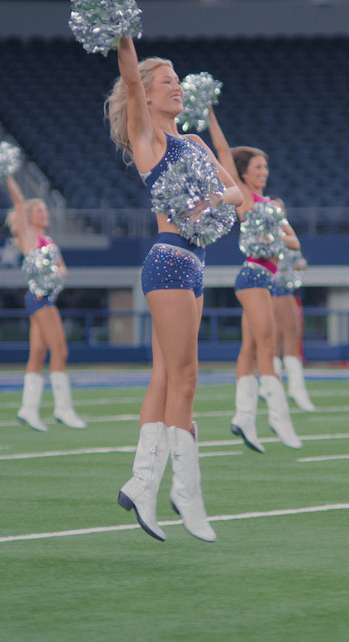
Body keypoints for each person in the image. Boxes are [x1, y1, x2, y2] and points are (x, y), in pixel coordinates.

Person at [106, 36, 243, 542]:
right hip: (167, 262)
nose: (178, 88)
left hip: (196, 265)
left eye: (179, 82)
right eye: (168, 82)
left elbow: (237, 193)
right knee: (186, 379)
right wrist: (124, 33)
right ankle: (186, 492)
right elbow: (127, 74)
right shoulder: (151, 140)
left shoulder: (195, 143)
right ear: (146, 93)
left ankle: (142, 483)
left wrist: (209, 198)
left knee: (166, 378)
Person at [207, 110, 303, 452]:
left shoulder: (270, 206)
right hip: (253, 275)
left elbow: (295, 242)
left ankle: (244, 417)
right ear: (245, 172)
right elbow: (222, 151)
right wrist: (210, 114)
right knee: (269, 343)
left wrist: (275, 238)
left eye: (266, 167)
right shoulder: (245, 196)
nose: (264, 172)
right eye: (258, 167)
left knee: (250, 348)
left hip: (264, 277)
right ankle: (279, 417)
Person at [2, 177, 86, 431]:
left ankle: (28, 409)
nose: (45, 213)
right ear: (28, 217)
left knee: (38, 353)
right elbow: (18, 200)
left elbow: (62, 269)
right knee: (60, 351)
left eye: (45, 210)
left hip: (47, 297)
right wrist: (7, 175)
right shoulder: (29, 237)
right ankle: (63, 409)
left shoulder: (50, 242)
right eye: (39, 210)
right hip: (39, 298)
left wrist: (58, 274)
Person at [269, 198, 317, 412]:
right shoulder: (270, 233)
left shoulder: (282, 232)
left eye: (282, 208)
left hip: (283, 288)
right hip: (276, 288)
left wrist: (299, 265)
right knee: (291, 332)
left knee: (280, 335)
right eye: (276, 208)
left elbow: (295, 258)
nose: (280, 212)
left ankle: (273, 386)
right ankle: (294, 388)